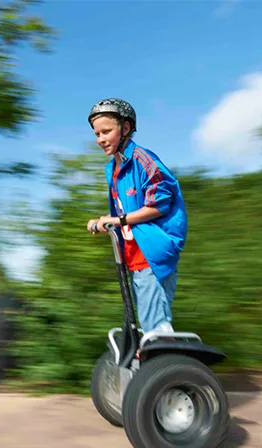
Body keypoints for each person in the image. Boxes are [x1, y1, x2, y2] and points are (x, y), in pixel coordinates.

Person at [86, 98, 187, 338]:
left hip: (152, 249)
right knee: (144, 323)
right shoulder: (112, 169)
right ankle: (152, 356)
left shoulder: (143, 159)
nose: (100, 139)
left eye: (106, 132)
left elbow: (159, 205)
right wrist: (109, 220)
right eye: (97, 134)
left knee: (156, 327)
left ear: (126, 128)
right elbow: (126, 210)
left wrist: (117, 220)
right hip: (132, 253)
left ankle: (163, 358)